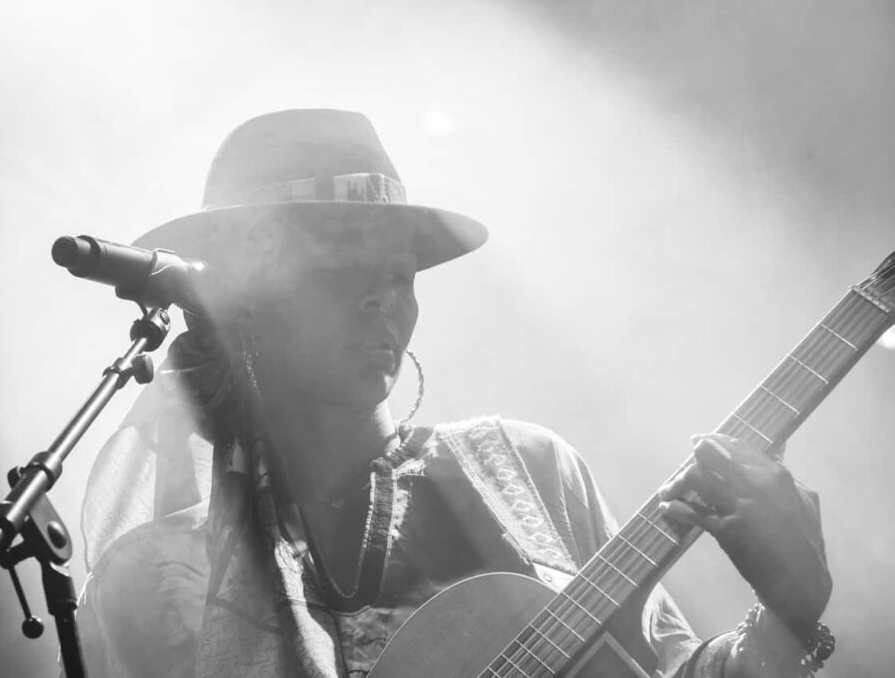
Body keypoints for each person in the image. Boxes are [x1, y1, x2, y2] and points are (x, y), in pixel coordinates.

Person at [71, 109, 833, 678]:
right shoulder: (161, 574)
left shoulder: (529, 470)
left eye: (400, 273)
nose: (382, 297)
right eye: (339, 265)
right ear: (243, 295)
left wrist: (790, 615)